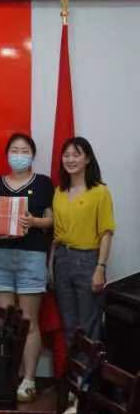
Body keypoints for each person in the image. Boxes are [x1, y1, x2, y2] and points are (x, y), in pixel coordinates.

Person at [0, 133, 54, 402]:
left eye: (24, 150)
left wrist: (33, 222)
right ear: (7, 155)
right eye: (14, 150)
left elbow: (51, 220)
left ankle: (28, 380)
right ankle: (6, 377)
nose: (19, 155)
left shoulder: (43, 183)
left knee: (28, 320)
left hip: (31, 256)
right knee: (5, 322)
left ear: (32, 155)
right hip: (1, 256)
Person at [52, 136, 115, 345]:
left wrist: (100, 268)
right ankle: (73, 368)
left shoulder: (100, 191)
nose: (70, 160)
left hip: (88, 260)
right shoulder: (59, 191)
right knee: (68, 325)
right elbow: (56, 235)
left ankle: (89, 368)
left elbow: (106, 233)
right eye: (66, 155)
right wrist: (51, 265)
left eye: (76, 155)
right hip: (62, 260)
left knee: (88, 327)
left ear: (87, 159)